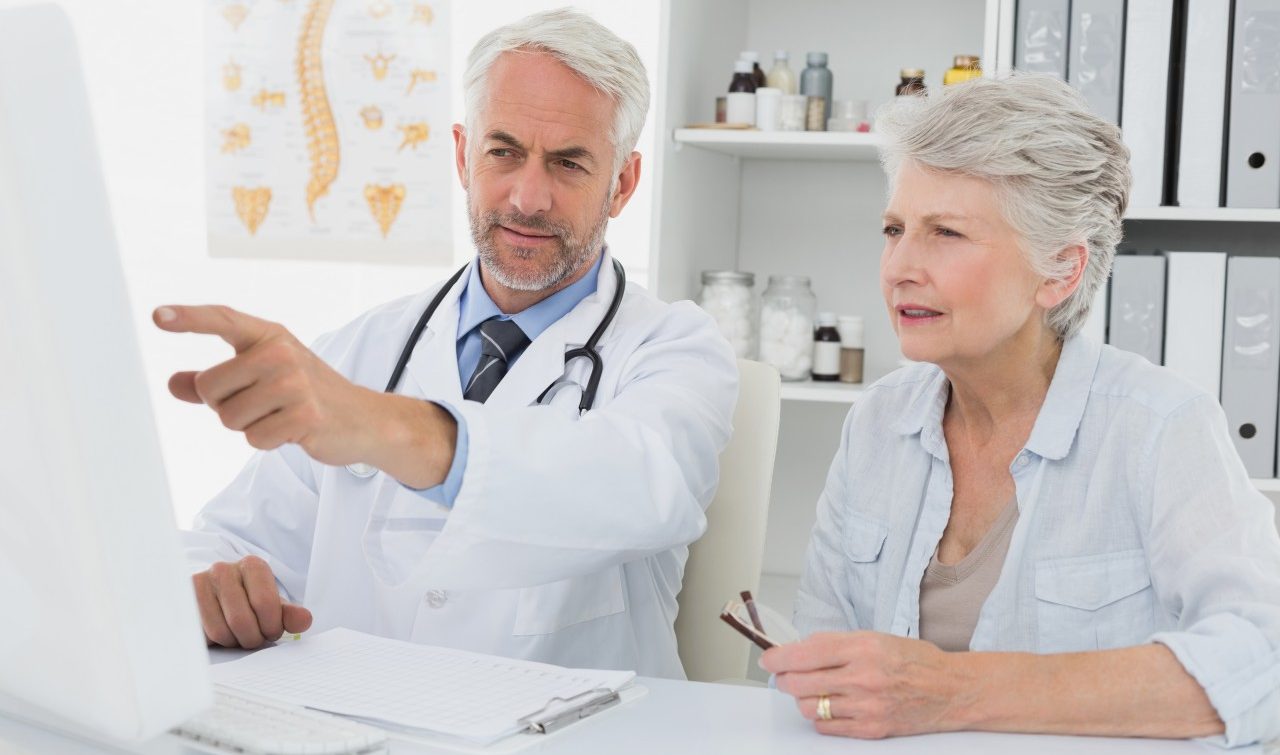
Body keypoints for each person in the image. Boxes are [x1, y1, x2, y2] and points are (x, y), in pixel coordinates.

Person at [156, 9, 737, 679]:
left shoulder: (677, 352)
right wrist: (212, 587)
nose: (528, 196)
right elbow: (230, 539)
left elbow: (636, 486)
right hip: (356, 725)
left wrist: (381, 426)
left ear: (624, 183)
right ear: (463, 154)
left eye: (570, 164)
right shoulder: (360, 346)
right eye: (504, 151)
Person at [760, 73, 1280, 746]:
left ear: (1060, 271)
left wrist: (954, 692)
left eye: (946, 233)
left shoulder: (1159, 427)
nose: (900, 267)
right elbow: (821, 657)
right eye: (895, 229)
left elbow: (1262, 660)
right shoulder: (878, 422)